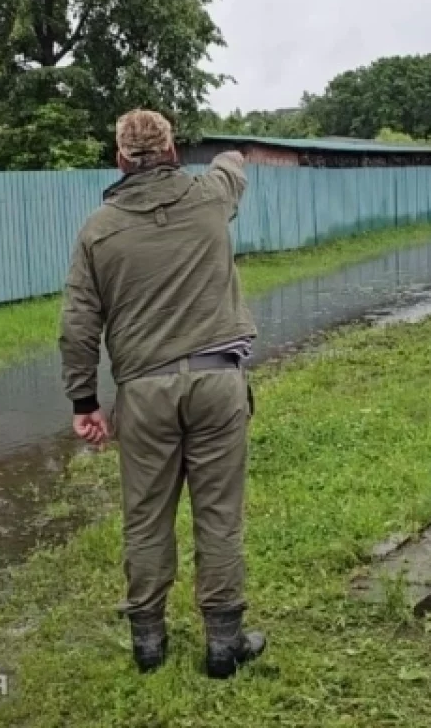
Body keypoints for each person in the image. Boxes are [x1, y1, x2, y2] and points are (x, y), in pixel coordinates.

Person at [59, 109, 265, 679]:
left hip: (144, 393)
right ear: (173, 152)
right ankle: (224, 644)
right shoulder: (210, 199)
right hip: (218, 381)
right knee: (219, 515)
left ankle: (149, 643)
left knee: (145, 517)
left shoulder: (98, 230)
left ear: (120, 159)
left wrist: (84, 401)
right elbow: (231, 171)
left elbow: (78, 324)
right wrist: (232, 154)